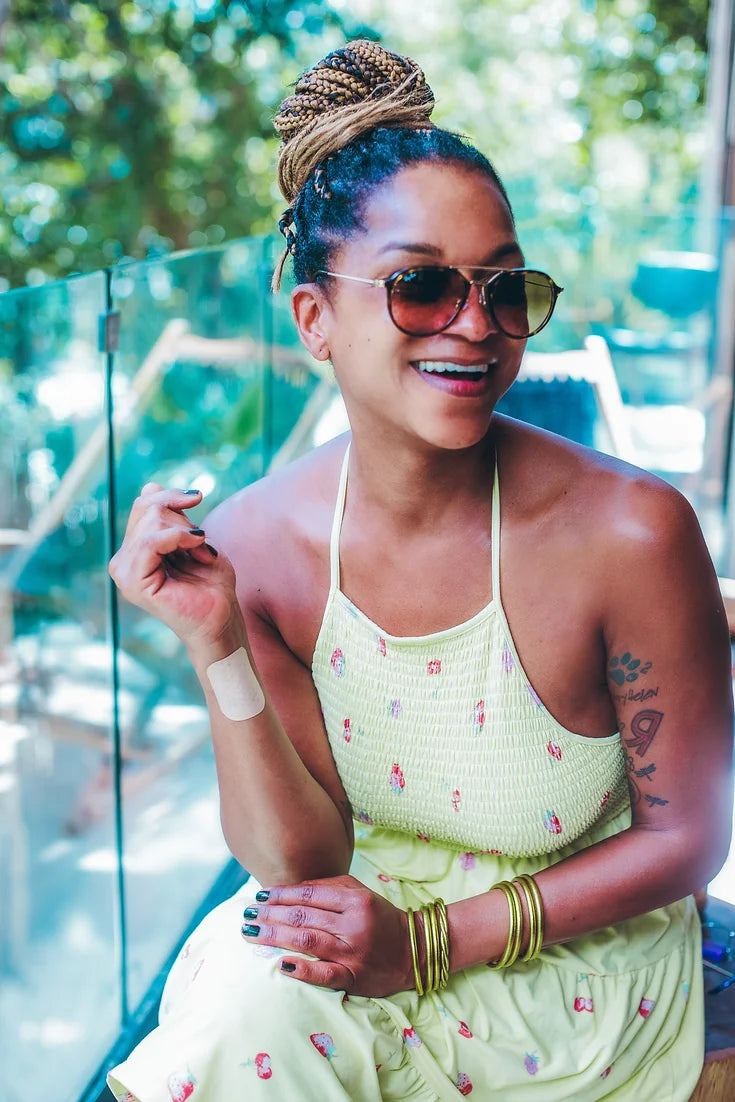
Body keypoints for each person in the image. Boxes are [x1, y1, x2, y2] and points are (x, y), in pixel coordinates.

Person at [106, 40, 733, 1102]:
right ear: (315, 318)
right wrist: (218, 645)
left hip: (576, 959)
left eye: (505, 287)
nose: (477, 325)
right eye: (421, 285)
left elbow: (690, 840)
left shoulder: (632, 532)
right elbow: (298, 865)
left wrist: (433, 944)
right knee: (252, 1008)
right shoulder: (258, 544)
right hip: (360, 926)